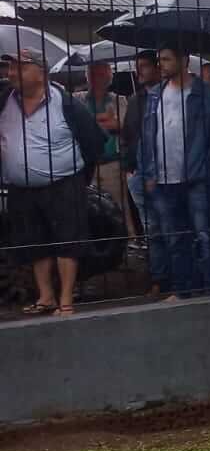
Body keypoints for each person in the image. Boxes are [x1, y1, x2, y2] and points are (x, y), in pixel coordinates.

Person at [0, 47, 103, 315]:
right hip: (22, 188)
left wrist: (79, 176)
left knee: (67, 241)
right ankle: (46, 296)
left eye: (20, 67)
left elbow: (93, 144)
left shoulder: (67, 104)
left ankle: (66, 299)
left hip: (63, 184)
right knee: (34, 242)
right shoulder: (4, 101)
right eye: (10, 67)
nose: (12, 73)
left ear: (41, 72)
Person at [139, 44, 210, 299]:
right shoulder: (156, 94)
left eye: (166, 59)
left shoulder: (204, 94)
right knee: (175, 238)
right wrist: (149, 173)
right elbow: (147, 137)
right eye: (160, 59)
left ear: (184, 60)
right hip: (164, 178)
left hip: (197, 176)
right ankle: (183, 290)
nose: (161, 64)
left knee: (206, 235)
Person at [122, 50, 166, 290]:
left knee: (167, 224)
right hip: (138, 172)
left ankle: (173, 277)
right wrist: (129, 167)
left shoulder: (168, 97)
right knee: (150, 228)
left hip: (162, 171)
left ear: (158, 68)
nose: (139, 71)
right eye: (137, 66)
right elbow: (128, 134)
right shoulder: (135, 100)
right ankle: (158, 278)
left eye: (145, 66)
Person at [74, 60, 128, 222]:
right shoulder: (76, 99)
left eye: (101, 74)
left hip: (111, 165)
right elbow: (74, 126)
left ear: (109, 77)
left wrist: (89, 122)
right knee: (85, 210)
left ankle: (128, 242)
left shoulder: (120, 100)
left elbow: (121, 125)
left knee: (118, 210)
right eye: (92, 73)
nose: (97, 78)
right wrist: (105, 120)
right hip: (83, 166)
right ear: (87, 76)